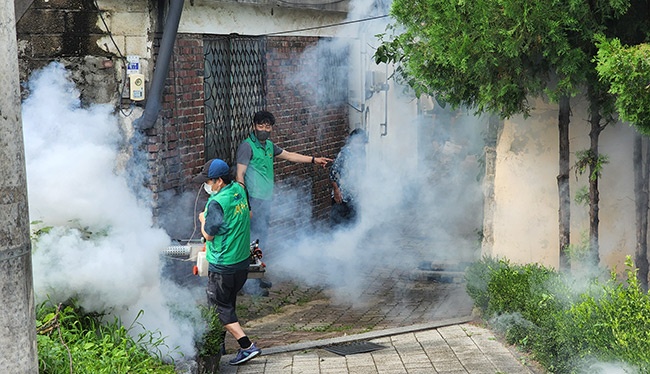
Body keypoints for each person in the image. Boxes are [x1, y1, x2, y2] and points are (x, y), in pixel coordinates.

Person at [236, 110, 332, 294]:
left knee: (259, 240)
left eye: (268, 126)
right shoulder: (247, 147)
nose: (264, 129)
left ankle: (256, 275)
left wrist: (314, 160)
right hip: (252, 201)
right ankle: (248, 284)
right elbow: (240, 175)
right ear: (254, 126)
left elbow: (289, 155)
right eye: (261, 125)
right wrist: (245, 204)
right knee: (250, 240)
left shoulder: (269, 146)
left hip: (265, 201)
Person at [195, 158, 261, 366]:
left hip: (223, 265)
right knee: (227, 305)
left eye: (209, 181)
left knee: (218, 308)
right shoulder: (239, 189)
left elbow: (209, 236)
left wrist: (202, 220)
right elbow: (249, 214)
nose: (206, 185)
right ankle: (220, 348)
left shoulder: (216, 202)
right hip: (240, 263)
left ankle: (247, 346)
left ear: (219, 181)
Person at [329, 128, 367, 227]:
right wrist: (337, 191)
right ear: (351, 141)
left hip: (354, 195)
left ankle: (351, 241)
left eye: (361, 143)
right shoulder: (344, 154)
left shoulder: (362, 154)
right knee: (339, 223)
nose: (359, 145)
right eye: (356, 142)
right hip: (342, 196)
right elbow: (333, 173)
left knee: (353, 223)